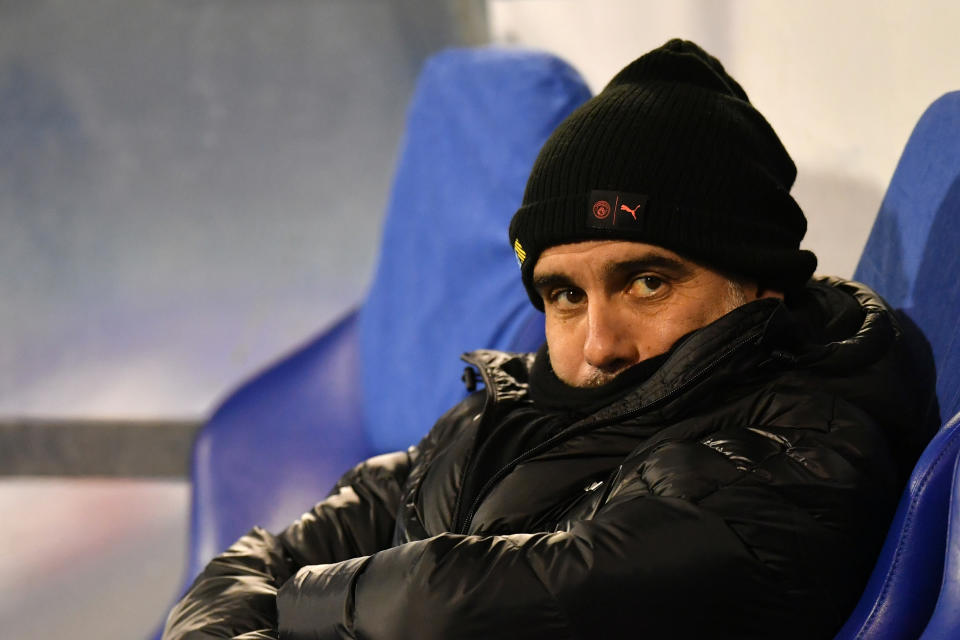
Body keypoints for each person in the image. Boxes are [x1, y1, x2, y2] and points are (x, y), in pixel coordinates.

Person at [162, 40, 939, 640]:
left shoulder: (804, 451)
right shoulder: (515, 408)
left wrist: (288, 612)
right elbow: (267, 555)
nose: (599, 343)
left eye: (647, 282)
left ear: (759, 283)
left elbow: (459, 604)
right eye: (565, 295)